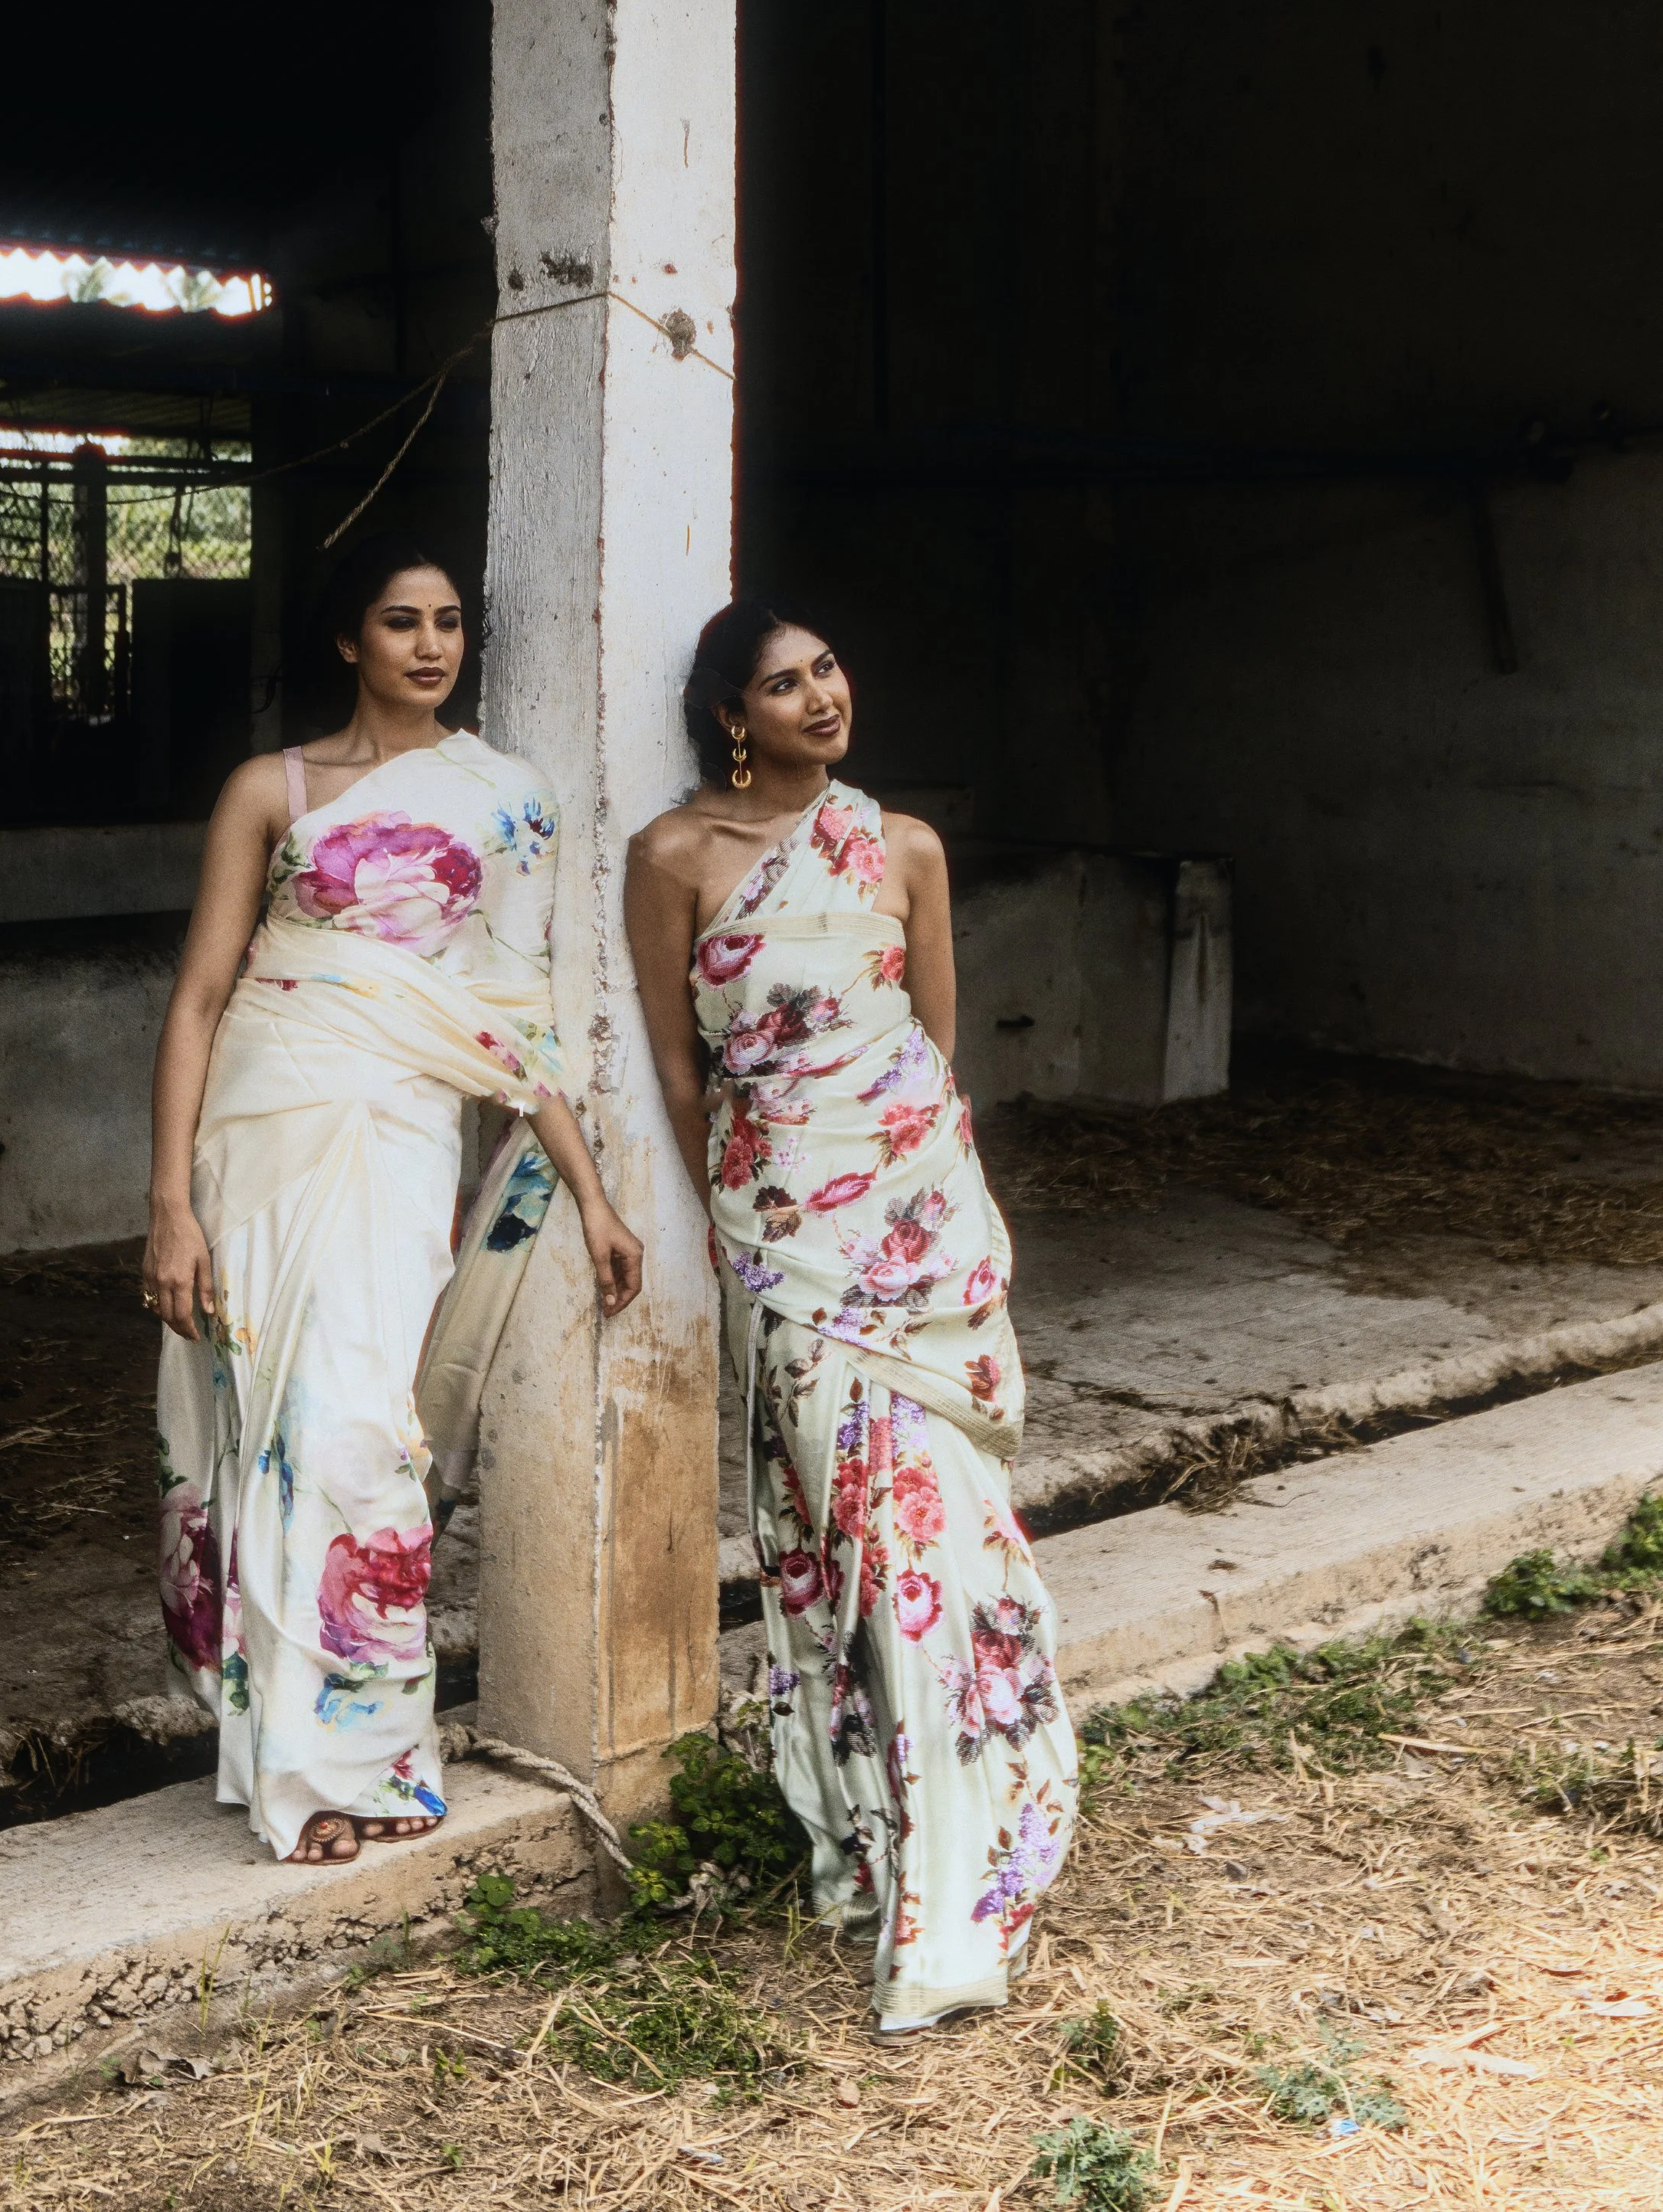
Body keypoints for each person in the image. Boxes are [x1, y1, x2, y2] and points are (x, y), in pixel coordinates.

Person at [146, 535, 643, 1867]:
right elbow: (199, 996)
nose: (431, 645)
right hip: (266, 1124)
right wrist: (170, 1203)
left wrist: (591, 1194)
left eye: (449, 622)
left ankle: (361, 1749)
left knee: (361, 1434)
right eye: (401, 621)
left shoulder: (505, 800)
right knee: (270, 1431)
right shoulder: (272, 787)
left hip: (405, 1134)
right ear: (347, 639)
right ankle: (298, 1772)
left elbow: (517, 1019)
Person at [624, 600, 1076, 2033]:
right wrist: (733, 1220)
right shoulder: (674, 857)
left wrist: (918, 1200)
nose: (822, 695)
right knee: (851, 1536)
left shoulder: (905, 847)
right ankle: (883, 1828)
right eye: (783, 683)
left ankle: (953, 1883)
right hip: (784, 1240)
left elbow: (933, 1044)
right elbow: (681, 1073)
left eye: (826, 669)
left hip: (919, 1227)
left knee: (934, 1533)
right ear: (731, 716)